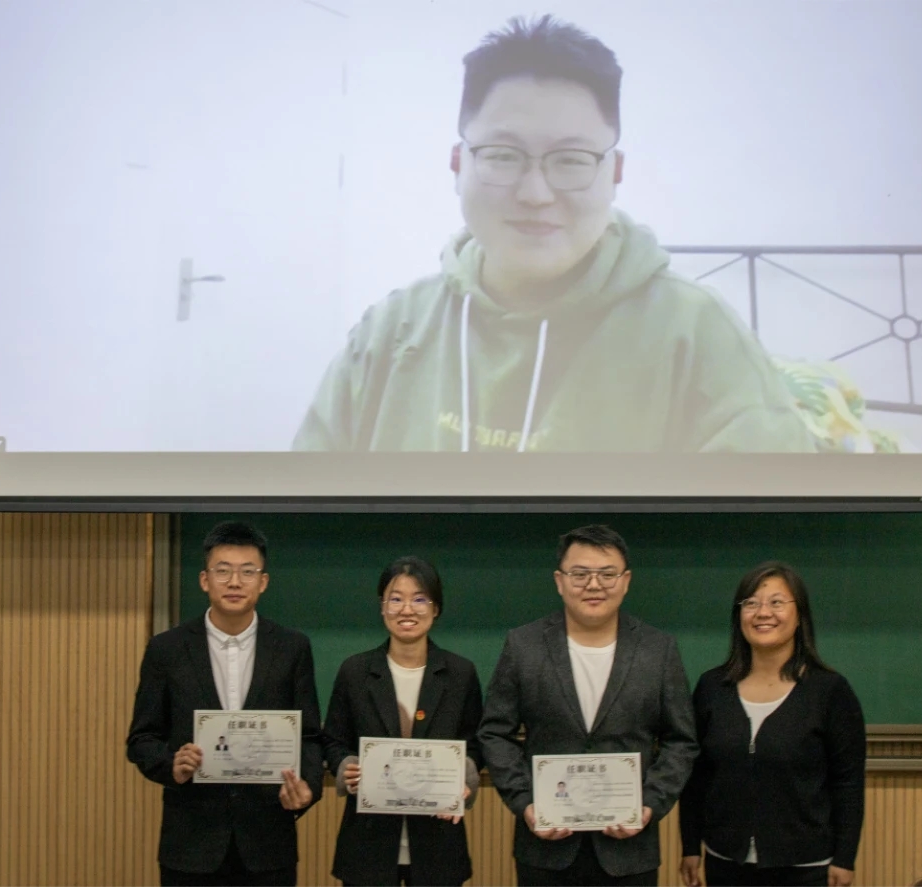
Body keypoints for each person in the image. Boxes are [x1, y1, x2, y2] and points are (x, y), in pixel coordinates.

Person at [293, 15, 815, 454]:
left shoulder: (697, 335)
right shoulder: (391, 332)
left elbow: (769, 529)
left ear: (614, 172)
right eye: (503, 156)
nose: (535, 193)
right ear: (457, 164)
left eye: (570, 160)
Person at [479, 525, 698, 886]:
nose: (594, 585)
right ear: (559, 581)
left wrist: (649, 805)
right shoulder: (523, 646)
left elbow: (681, 741)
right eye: (580, 574)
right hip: (546, 850)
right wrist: (526, 803)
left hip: (630, 852)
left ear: (625, 581)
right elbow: (494, 733)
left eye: (607, 574)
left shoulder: (658, 650)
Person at [126, 521, 324, 887]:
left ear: (263, 582)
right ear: (205, 580)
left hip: (268, 843)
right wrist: (172, 765)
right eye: (223, 571)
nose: (235, 582)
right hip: (190, 845)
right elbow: (142, 738)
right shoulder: (166, 649)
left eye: (247, 572)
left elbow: (310, 736)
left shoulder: (292, 648)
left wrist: (308, 787)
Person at [679, 562, 866, 887]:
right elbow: (696, 775)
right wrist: (691, 846)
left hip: (807, 866)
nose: (763, 613)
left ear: (800, 614)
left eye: (777, 602)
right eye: (751, 603)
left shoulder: (830, 692)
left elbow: (847, 782)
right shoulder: (712, 688)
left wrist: (845, 857)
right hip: (725, 862)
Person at [323, 556, 484, 887]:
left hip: (439, 843)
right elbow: (333, 740)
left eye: (419, 599)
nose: (407, 610)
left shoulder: (460, 674)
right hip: (368, 844)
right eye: (395, 599)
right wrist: (346, 766)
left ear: (436, 608)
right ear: (382, 607)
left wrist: (464, 778)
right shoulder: (355, 672)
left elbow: (476, 742)